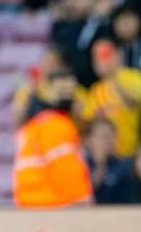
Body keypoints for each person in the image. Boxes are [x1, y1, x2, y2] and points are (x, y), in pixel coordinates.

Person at [14, 66, 92, 207]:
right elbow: (67, 172)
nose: (68, 97)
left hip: (32, 206)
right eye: (63, 92)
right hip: (55, 206)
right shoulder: (57, 126)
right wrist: (83, 203)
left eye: (70, 91)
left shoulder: (34, 126)